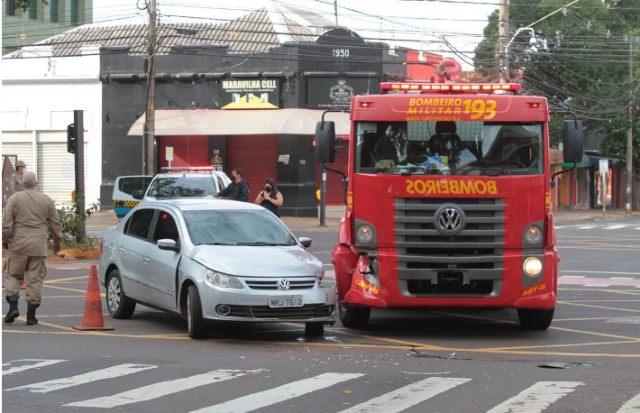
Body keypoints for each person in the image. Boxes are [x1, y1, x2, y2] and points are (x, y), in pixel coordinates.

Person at [2, 171, 62, 325]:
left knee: (14, 276)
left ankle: (13, 306)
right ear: (36, 184)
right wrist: (57, 242)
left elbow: (6, 221)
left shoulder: (14, 198)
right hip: (38, 246)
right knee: (34, 279)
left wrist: (4, 240)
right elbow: (55, 222)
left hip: (18, 245)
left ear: (22, 185)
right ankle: (31, 315)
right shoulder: (46, 199)